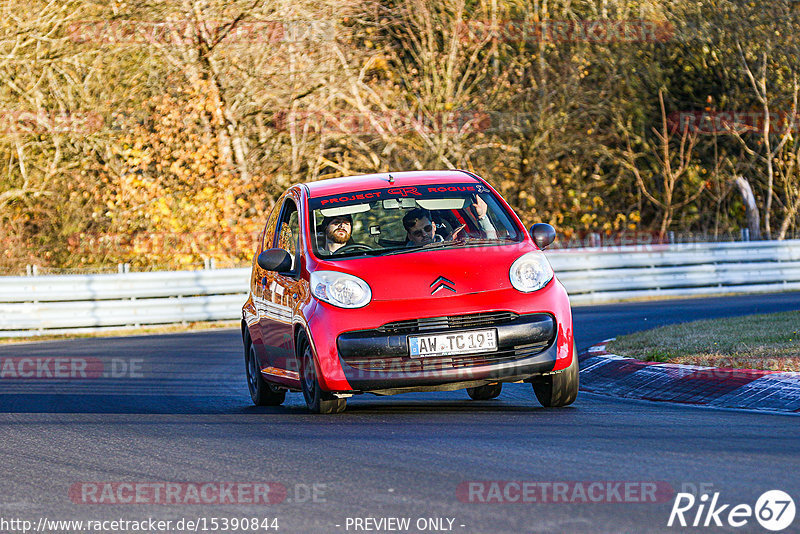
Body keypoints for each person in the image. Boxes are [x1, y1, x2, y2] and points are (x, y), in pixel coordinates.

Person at [402, 196, 497, 246]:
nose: (424, 234)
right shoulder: (401, 258)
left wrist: (482, 217)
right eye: (418, 233)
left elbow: (493, 247)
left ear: (434, 226)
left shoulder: (456, 246)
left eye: (427, 228)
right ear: (410, 236)